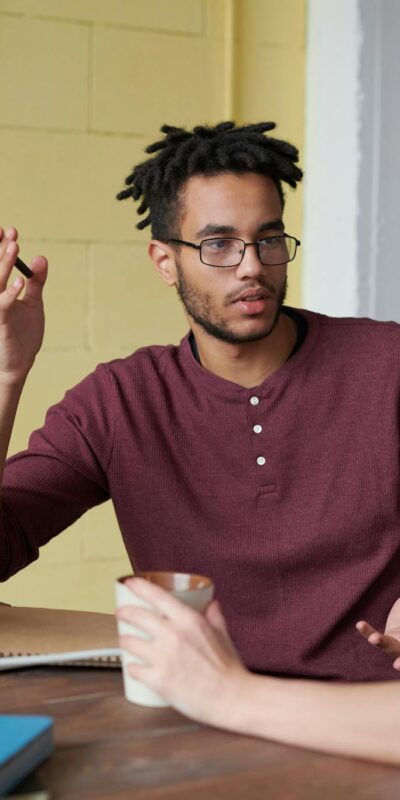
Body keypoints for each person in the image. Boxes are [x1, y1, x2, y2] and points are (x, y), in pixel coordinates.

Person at [1, 121, 400, 689]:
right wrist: (6, 374)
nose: (252, 266)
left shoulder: (387, 363)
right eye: (219, 245)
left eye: (268, 239)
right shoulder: (119, 401)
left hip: (365, 711)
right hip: (192, 709)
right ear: (165, 262)